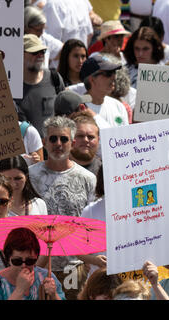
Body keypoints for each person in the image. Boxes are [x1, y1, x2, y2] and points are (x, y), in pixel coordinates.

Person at [29, 116, 96, 300]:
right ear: (44, 142)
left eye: (64, 139)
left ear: (72, 142)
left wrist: (90, 259)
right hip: (37, 266)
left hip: (75, 266)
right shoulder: (30, 176)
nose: (58, 143)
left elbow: (91, 224)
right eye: (53, 138)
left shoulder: (88, 178)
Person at [15, 34, 66, 139]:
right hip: (25, 152)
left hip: (53, 149)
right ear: (21, 54)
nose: (40, 55)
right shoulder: (11, 85)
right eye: (34, 52)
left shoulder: (54, 78)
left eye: (42, 52)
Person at [0, 228, 65, 300]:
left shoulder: (46, 276)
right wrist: (19, 290)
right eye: (17, 261)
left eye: (30, 261)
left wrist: (54, 295)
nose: (24, 266)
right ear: (8, 258)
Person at [79, 54, 129, 127]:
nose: (114, 77)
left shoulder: (119, 106)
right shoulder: (78, 109)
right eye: (108, 74)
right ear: (92, 80)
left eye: (114, 72)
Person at [24, 5, 63, 69]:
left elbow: (65, 50)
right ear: (26, 27)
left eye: (43, 29)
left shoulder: (44, 38)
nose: (41, 33)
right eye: (38, 30)